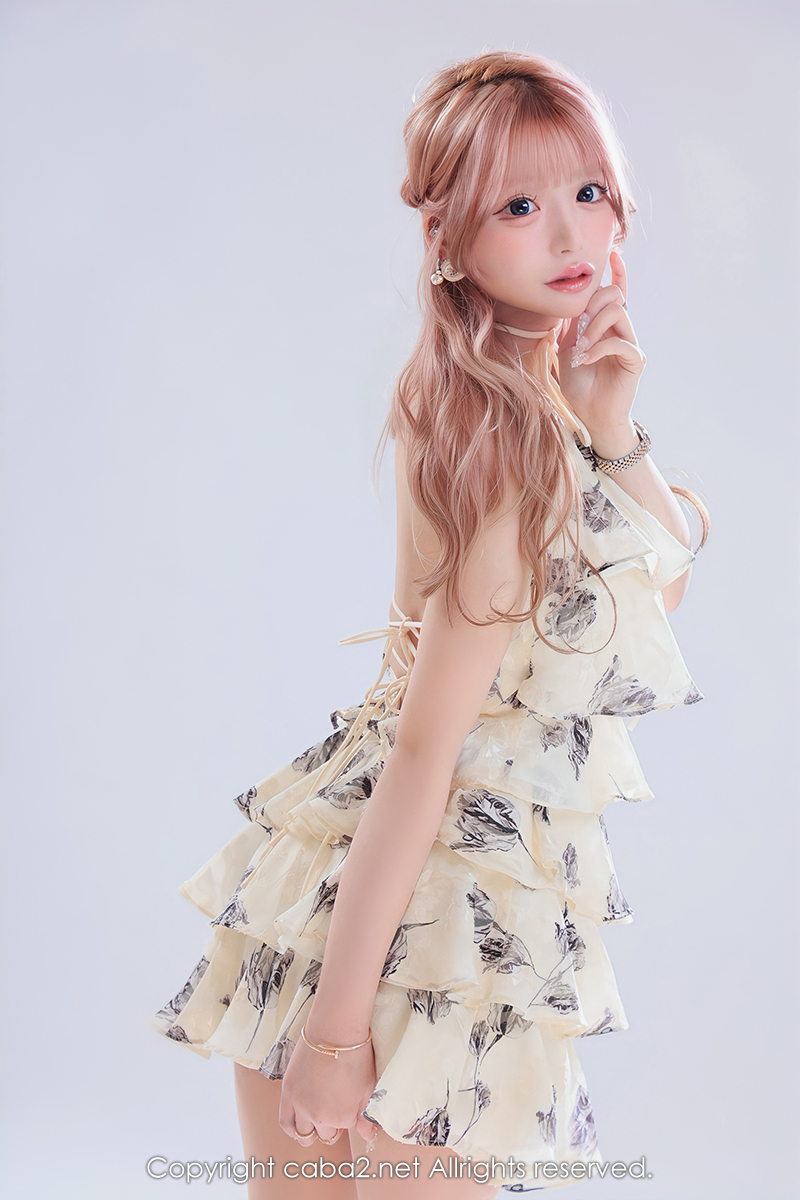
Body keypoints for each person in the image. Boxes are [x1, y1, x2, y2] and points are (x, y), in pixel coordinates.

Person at [150, 49, 709, 1198]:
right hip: (425, 914)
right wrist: (335, 1037)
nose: (570, 234)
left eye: (587, 192)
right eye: (519, 206)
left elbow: (652, 594)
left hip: (363, 882)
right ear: (447, 239)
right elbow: (425, 748)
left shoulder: (515, 402)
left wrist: (612, 426)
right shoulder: (502, 445)